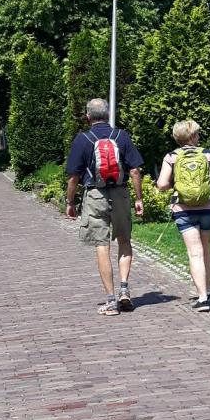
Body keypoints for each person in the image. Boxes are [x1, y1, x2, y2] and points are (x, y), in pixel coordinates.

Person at [65, 98, 144, 316]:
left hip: (95, 196)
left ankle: (111, 301)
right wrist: (138, 198)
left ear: (87, 116)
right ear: (108, 115)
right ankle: (125, 289)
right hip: (120, 193)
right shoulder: (122, 136)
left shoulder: (82, 140)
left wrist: (70, 202)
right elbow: (135, 170)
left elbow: (73, 177)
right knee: (124, 240)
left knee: (102, 245)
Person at [156, 120, 210, 312]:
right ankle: (209, 288)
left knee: (194, 252)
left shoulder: (171, 156)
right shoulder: (208, 153)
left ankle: (202, 297)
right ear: (193, 136)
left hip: (183, 209)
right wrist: (207, 185)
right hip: (208, 207)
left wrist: (178, 187)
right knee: (206, 248)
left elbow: (162, 184)